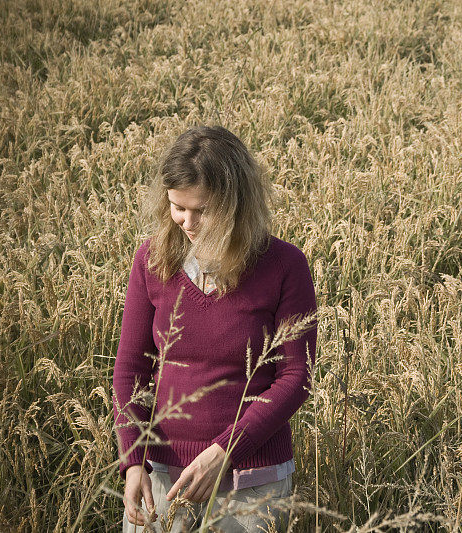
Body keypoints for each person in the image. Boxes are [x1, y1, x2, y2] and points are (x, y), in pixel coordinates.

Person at [112, 125, 317, 532]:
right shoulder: (152, 261)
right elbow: (130, 369)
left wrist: (225, 450)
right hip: (161, 478)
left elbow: (298, 377)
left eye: (202, 210)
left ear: (235, 201)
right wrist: (133, 461)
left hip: (252, 483)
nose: (187, 222)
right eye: (177, 207)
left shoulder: (284, 266)